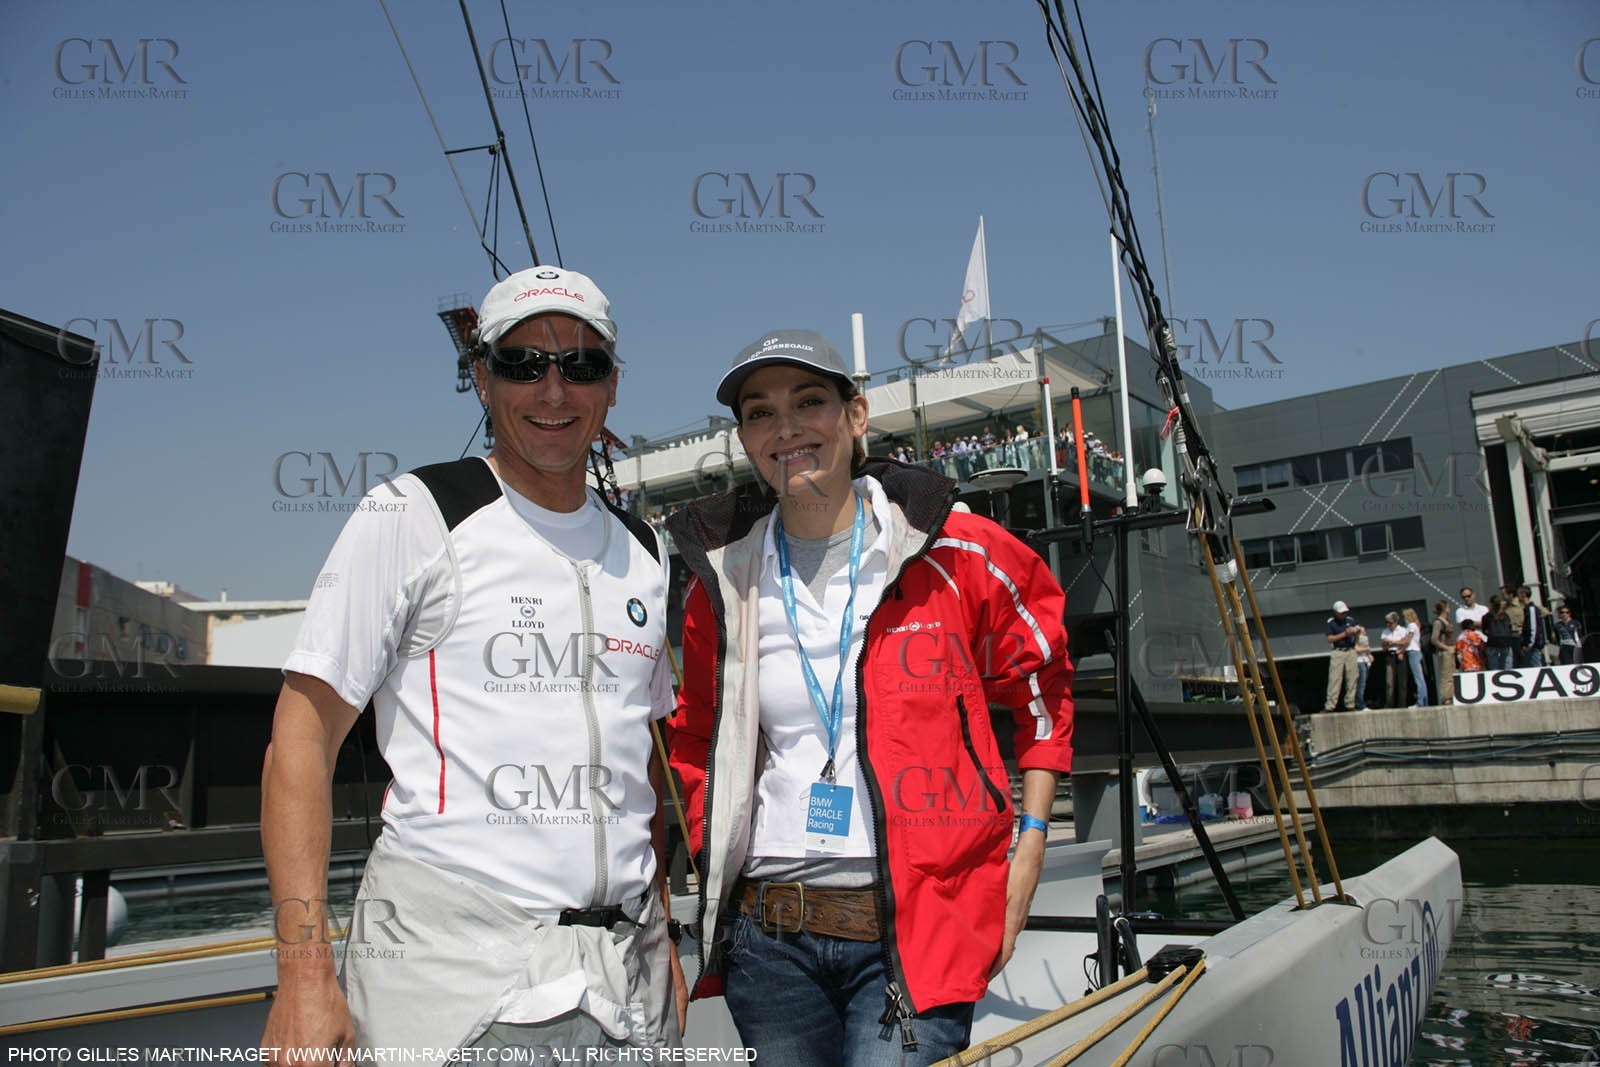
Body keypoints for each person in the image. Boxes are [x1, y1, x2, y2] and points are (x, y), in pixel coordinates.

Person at [260, 266, 685, 1061]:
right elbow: (299, 738)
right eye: (524, 363)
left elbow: (638, 765)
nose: (553, 390)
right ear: (482, 379)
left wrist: (661, 943)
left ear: (613, 386)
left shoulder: (646, 549)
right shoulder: (412, 513)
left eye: (581, 364)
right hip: (457, 991)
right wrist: (304, 975)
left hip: (629, 988)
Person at [667, 330, 1075, 1067]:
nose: (785, 427)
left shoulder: (958, 548)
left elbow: (1041, 678)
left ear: (857, 416)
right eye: (760, 412)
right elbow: (694, 734)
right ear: (745, 439)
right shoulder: (724, 581)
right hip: (770, 942)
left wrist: (1032, 840)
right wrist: (710, 845)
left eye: (809, 401)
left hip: (915, 932)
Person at [1324, 601, 1360, 712]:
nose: (1343, 615)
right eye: (1341, 613)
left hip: (1350, 651)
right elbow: (1330, 639)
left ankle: (1350, 704)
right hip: (1338, 651)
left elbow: (1357, 633)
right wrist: (1345, 633)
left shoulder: (1350, 621)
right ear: (1335, 613)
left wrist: (1356, 632)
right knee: (1335, 679)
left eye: (1345, 612)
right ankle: (1330, 705)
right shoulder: (1331, 623)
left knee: (1352, 678)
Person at [1380, 612, 1411, 708]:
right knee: (1389, 681)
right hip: (1390, 655)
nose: (1388, 625)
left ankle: (1402, 704)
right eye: (1387, 622)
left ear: (1396, 621)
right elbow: (1384, 646)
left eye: (1390, 622)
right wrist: (1397, 642)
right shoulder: (1385, 631)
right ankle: (1389, 704)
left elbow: (1404, 642)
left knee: (1402, 681)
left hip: (1400, 654)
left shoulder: (1403, 630)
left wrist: (1391, 642)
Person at [1401, 607, 1429, 707]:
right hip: (1416, 652)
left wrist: (1401, 650)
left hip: (1413, 652)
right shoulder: (1415, 625)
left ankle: (1420, 702)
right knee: (1420, 678)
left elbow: (1408, 640)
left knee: (1418, 679)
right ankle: (1424, 701)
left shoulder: (1411, 626)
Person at [1430, 601, 1456, 706]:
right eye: (1448, 606)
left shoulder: (1447, 621)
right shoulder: (1438, 622)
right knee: (1446, 676)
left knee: (1452, 674)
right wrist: (1446, 648)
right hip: (1444, 652)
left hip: (1451, 650)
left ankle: (1451, 695)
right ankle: (1446, 697)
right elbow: (1434, 639)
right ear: (1444, 608)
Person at [1483, 595, 1517, 671]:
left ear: (1491, 604)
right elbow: (1510, 628)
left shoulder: (1487, 617)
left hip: (1492, 643)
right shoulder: (1505, 616)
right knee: (1507, 667)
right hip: (1506, 643)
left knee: (1494, 668)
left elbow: (1484, 630)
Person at [1517, 587, 1546, 668]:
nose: (1518, 597)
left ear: (1524, 595)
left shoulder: (1531, 608)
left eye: (1519, 594)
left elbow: (1533, 627)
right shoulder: (1526, 609)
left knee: (1536, 666)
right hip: (1529, 645)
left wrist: (1530, 644)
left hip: (1533, 646)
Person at [1354, 627, 1373, 711]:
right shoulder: (1356, 638)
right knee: (1361, 684)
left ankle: (1361, 702)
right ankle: (1360, 704)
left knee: (1363, 683)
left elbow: (1367, 650)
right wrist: (1367, 649)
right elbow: (1357, 649)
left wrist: (1369, 655)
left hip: (1365, 660)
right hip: (1359, 661)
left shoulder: (1365, 638)